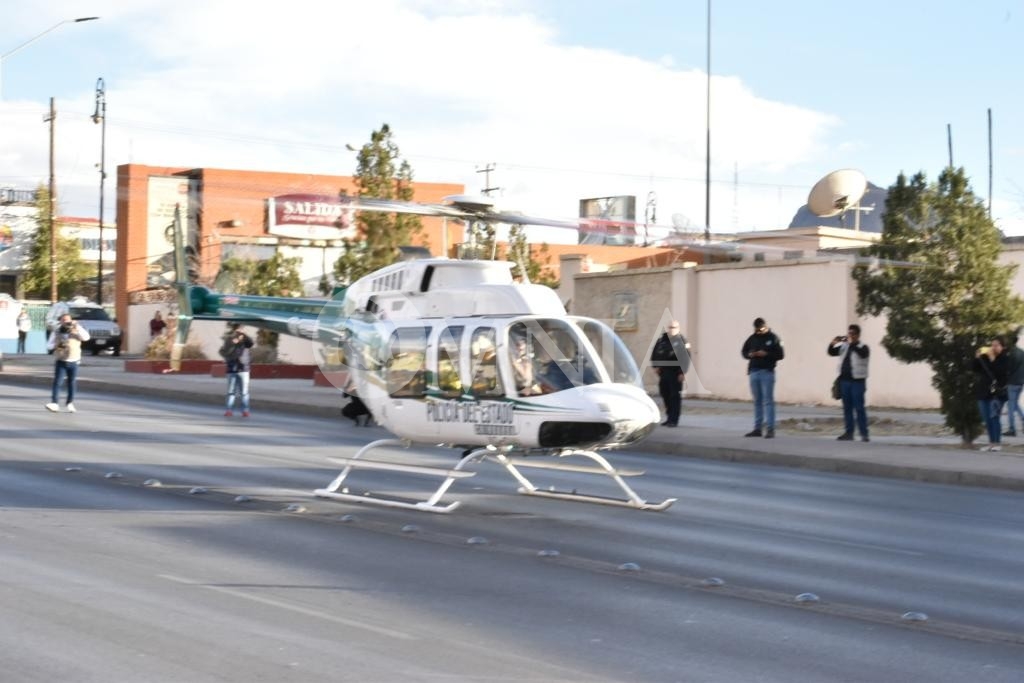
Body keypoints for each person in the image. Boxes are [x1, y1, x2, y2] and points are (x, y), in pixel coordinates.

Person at [740, 317, 784, 438]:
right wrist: (750, 354)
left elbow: (781, 354)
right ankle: (757, 428)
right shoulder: (752, 338)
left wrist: (766, 354)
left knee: (768, 401)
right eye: (757, 329)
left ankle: (770, 429)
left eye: (761, 328)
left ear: (765, 326)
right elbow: (744, 351)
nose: (759, 331)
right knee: (757, 401)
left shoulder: (773, 338)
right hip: (754, 371)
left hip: (767, 372)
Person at [828, 324, 871, 442]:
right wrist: (833, 342)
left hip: (857, 382)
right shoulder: (844, 347)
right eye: (849, 333)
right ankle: (849, 432)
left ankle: (864, 433)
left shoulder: (863, 347)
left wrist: (852, 343)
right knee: (847, 408)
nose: (850, 335)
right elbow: (831, 352)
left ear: (858, 335)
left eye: (852, 333)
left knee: (859, 408)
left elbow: (863, 354)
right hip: (844, 381)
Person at [44, 312, 91, 413]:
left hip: (74, 360)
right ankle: (54, 403)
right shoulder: (56, 331)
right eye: (64, 320)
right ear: (60, 321)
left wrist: (77, 326)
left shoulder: (76, 330)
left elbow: (86, 338)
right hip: (61, 360)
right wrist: (56, 345)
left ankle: (70, 403)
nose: (66, 322)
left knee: (72, 382)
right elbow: (49, 345)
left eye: (68, 320)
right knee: (57, 382)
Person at [650, 320, 691, 427]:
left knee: (674, 396)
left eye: (674, 327)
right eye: (670, 327)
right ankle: (669, 417)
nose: (672, 329)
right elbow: (654, 353)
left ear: (678, 328)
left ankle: (674, 419)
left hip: (675, 373)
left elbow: (686, 357)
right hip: (663, 373)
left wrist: (682, 372)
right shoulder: (662, 340)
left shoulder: (682, 341)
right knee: (665, 394)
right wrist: (655, 366)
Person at [973, 337, 1010, 451]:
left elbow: (1000, 373)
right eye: (992, 345)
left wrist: (993, 359)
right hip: (983, 392)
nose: (993, 347)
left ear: (1003, 347)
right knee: (987, 419)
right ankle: (991, 443)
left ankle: (997, 443)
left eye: (996, 345)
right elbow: (974, 368)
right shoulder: (986, 356)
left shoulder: (1005, 359)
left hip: (997, 394)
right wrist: (977, 358)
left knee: (994, 418)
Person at [219, 323, 254, 417]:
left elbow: (251, 343)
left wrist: (244, 336)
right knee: (231, 391)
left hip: (244, 369)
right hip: (232, 368)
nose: (239, 332)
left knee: (244, 392)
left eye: (241, 330)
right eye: (237, 330)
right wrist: (232, 343)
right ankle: (229, 410)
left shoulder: (245, 340)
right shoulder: (229, 339)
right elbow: (224, 351)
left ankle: (245, 411)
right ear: (234, 331)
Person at [1002, 334, 1024, 437]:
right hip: (1020, 382)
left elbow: (1008, 369)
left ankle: (1012, 429)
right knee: (1014, 403)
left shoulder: (1011, 354)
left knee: (1010, 406)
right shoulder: (1022, 352)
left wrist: (1005, 381)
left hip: (1012, 382)